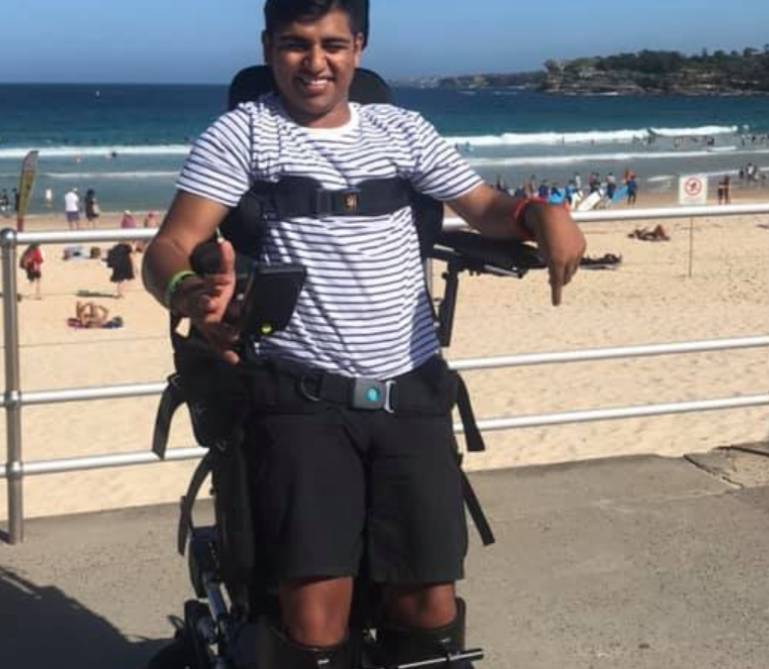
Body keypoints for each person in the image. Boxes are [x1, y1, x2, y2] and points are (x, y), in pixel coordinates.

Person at [142, 1, 584, 666]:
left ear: (359, 46)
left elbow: (484, 207)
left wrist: (538, 212)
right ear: (268, 48)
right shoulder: (243, 135)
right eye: (295, 45)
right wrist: (187, 292)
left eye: (332, 45)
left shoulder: (402, 130)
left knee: (428, 605)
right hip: (300, 397)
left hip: (411, 389)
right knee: (317, 617)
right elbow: (169, 246)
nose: (314, 63)